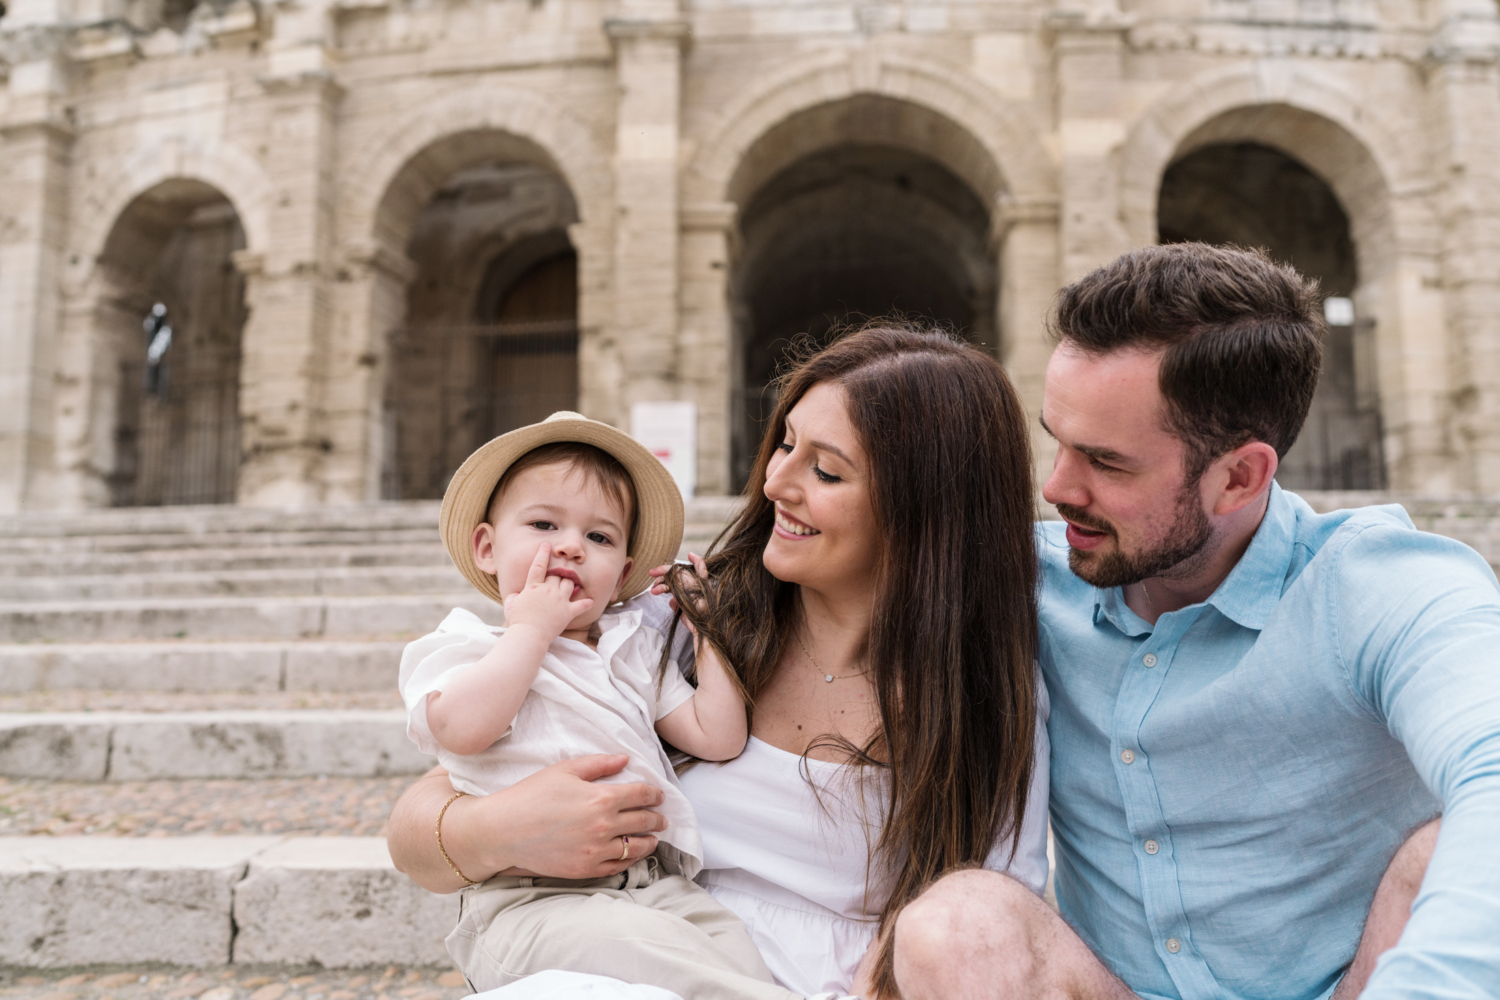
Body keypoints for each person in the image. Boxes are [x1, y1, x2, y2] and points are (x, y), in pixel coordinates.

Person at [892, 244, 1500, 1000]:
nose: (1055, 487)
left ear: (1240, 476)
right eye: (1056, 440)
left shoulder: (1381, 586)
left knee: (1440, 852)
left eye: (1107, 464)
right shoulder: (1023, 582)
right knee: (960, 921)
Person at [387, 327, 1052, 999]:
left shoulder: (981, 692)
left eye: (825, 470)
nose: (774, 482)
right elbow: (425, 816)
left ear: (922, 512)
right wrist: (502, 829)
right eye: (786, 443)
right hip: (615, 949)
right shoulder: (668, 619)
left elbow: (983, 919)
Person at [398, 412, 783, 999]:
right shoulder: (468, 648)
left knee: (733, 953)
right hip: (530, 900)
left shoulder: (633, 652)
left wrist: (710, 638)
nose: (572, 547)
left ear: (623, 573)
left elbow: (718, 735)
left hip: (656, 887)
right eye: (544, 523)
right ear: (487, 548)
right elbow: (463, 729)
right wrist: (531, 629)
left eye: (599, 537)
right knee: (675, 966)